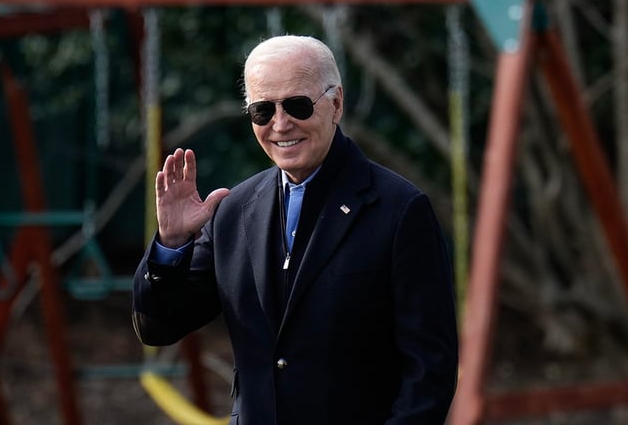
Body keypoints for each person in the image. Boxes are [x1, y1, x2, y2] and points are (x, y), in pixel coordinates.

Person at [132, 35, 458, 424]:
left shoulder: (400, 210)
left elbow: (430, 372)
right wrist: (171, 243)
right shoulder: (233, 210)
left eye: (298, 105)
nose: (280, 124)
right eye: (262, 111)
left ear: (335, 104)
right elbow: (158, 327)